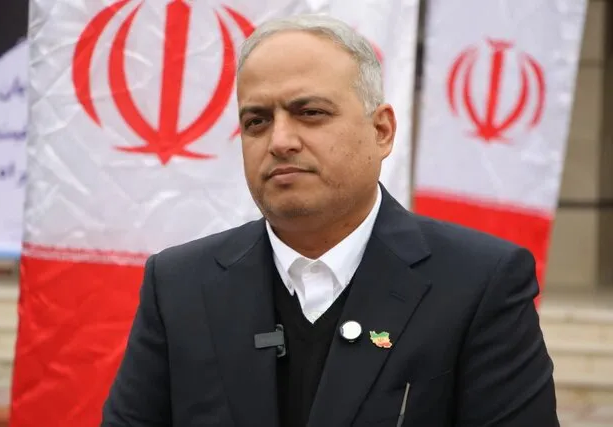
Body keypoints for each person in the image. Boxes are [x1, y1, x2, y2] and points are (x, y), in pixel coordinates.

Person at [101, 13, 559, 427]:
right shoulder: (179, 286)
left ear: (381, 131)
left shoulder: (478, 283)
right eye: (257, 121)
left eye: (310, 113)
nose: (280, 140)